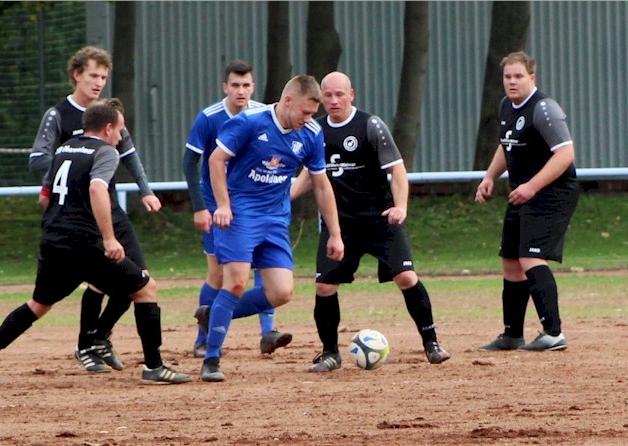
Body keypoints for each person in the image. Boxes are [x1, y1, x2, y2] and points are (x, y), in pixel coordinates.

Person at [0, 99, 193, 386]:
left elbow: (44, 196)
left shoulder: (63, 150)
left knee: (39, 304)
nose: (121, 137)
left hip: (53, 239)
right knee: (146, 288)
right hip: (84, 242)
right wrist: (108, 238)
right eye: (120, 130)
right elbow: (98, 189)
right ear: (108, 128)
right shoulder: (105, 151)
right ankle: (154, 367)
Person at [290, 72, 451, 372]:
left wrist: (400, 207)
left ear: (352, 94)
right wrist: (283, 197)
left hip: (380, 220)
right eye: (328, 95)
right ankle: (329, 353)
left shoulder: (370, 126)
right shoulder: (315, 130)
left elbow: (398, 171)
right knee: (325, 286)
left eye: (340, 94)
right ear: (321, 97)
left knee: (406, 278)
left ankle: (432, 343)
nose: (334, 100)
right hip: (340, 225)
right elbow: (309, 177)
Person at [197, 75, 345, 382]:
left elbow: (320, 185)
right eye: (305, 112)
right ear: (288, 101)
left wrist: (335, 233)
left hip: (276, 219)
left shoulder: (312, 134)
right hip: (240, 215)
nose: (309, 119)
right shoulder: (250, 122)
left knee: (280, 292)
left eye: (312, 114)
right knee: (236, 282)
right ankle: (211, 358)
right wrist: (222, 206)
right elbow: (215, 160)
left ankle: (213, 314)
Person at [30, 46, 162, 373]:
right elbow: (38, 160)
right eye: (93, 75)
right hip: (79, 215)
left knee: (138, 277)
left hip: (108, 209)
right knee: (102, 281)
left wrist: (145, 190)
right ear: (76, 74)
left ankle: (99, 336)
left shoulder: (107, 115)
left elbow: (129, 154)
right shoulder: (58, 114)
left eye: (104, 76)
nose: (99, 82)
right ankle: (86, 344)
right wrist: (65, 175)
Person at [183, 60, 291, 358]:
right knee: (218, 273)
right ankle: (204, 336)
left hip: (254, 207)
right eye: (235, 85)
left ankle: (268, 331)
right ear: (225, 88)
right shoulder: (209, 117)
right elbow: (190, 162)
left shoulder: (262, 115)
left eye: (246, 85)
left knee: (263, 267)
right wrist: (200, 207)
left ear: (253, 87)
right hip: (220, 207)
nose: (241, 91)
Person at [475, 51, 579, 352]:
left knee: (531, 257)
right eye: (507, 76)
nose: (512, 81)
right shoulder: (507, 106)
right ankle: (512, 334)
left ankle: (553, 332)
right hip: (524, 191)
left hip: (552, 192)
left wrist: (532, 187)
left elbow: (565, 154)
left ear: (531, 78)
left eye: (518, 76)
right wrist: (489, 177)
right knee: (510, 259)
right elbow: (506, 145)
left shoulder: (544, 109)